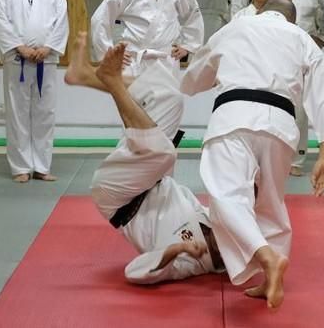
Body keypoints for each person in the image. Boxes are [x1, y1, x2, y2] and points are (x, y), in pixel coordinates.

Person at [181, 0, 324, 310]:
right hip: (280, 125)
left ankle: (267, 257)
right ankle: (269, 278)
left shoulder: (236, 27)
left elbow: (195, 77)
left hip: (234, 117)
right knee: (271, 204)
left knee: (226, 195)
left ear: (261, 12)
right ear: (291, 20)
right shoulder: (301, 37)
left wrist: (190, 79)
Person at [64, 32, 225, 283]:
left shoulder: (190, 262)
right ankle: (85, 75)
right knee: (169, 97)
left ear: (222, 257)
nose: (228, 232)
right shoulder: (212, 220)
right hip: (147, 176)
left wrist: (177, 249)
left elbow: (135, 273)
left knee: (163, 153)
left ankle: (112, 81)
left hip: (120, 197)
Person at [0, 0, 69, 183]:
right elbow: (1, 21)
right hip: (17, 59)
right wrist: (21, 47)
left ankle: (42, 166)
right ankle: (20, 167)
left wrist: (48, 48)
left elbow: (61, 21)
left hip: (45, 60)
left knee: (45, 113)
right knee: (17, 113)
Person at [274, 0, 324, 177]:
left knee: (300, 108)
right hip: (270, 49)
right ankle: (269, 157)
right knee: (270, 102)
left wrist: (320, 39)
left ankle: (296, 159)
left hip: (304, 49)